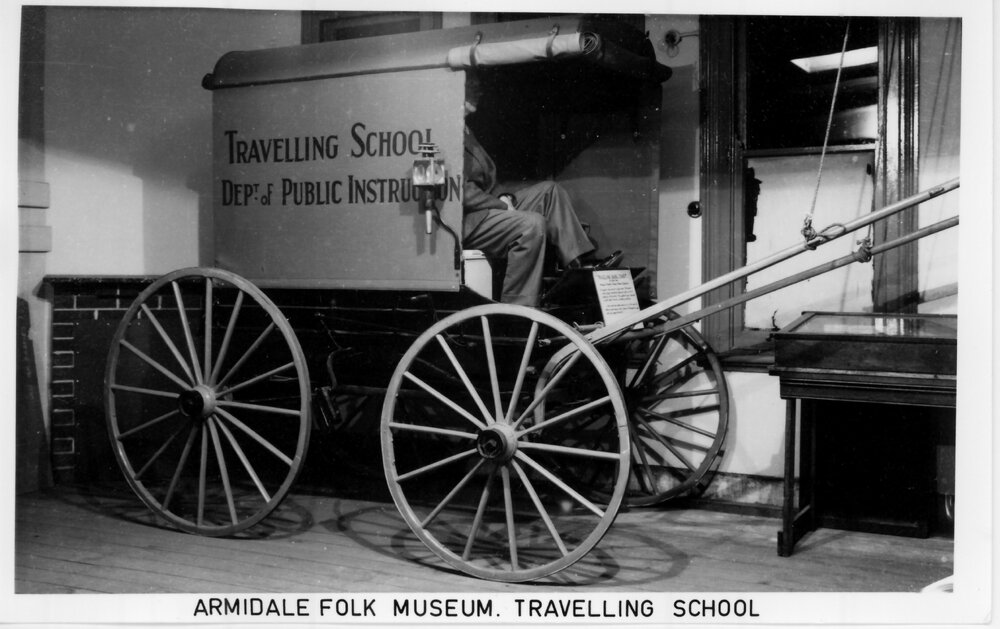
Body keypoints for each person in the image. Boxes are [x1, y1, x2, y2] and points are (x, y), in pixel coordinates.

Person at [461, 80, 618, 306]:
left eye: (478, 85)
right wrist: (502, 205)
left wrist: (503, 196)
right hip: (468, 220)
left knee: (549, 190)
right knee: (531, 225)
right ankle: (517, 309)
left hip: (485, 210)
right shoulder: (445, 129)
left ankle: (579, 265)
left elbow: (487, 180)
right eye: (471, 85)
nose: (478, 90)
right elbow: (462, 192)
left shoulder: (467, 130)